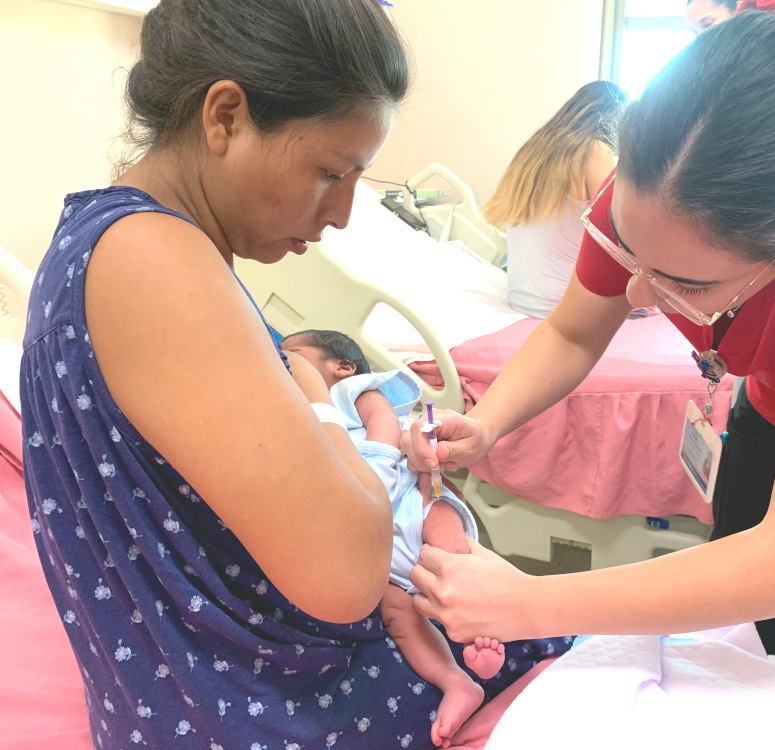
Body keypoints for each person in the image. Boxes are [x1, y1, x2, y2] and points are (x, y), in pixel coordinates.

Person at [407, 0, 775, 716]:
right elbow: (573, 332)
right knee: (735, 627)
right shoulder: (665, 176)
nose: (635, 292)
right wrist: (488, 422)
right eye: (629, 250)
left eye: (683, 283)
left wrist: (531, 603)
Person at [20, 1, 565, 748]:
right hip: (262, 706)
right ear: (225, 117)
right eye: (329, 173)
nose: (340, 213)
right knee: (592, 658)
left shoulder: (114, 240)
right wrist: (329, 414)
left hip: (205, 689)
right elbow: (346, 577)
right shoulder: (150, 257)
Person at [280, 329, 505, 747]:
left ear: (342, 367)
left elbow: (385, 425)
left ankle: (484, 630)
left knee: (446, 541)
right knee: (397, 613)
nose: (283, 361)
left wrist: (379, 468)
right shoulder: (297, 414)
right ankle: (456, 681)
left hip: (408, 501)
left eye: (292, 354)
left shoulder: (352, 392)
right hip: (378, 545)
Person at [482, 81, 626, 319]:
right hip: (564, 310)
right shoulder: (596, 151)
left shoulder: (530, 152)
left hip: (521, 301)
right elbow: (621, 232)